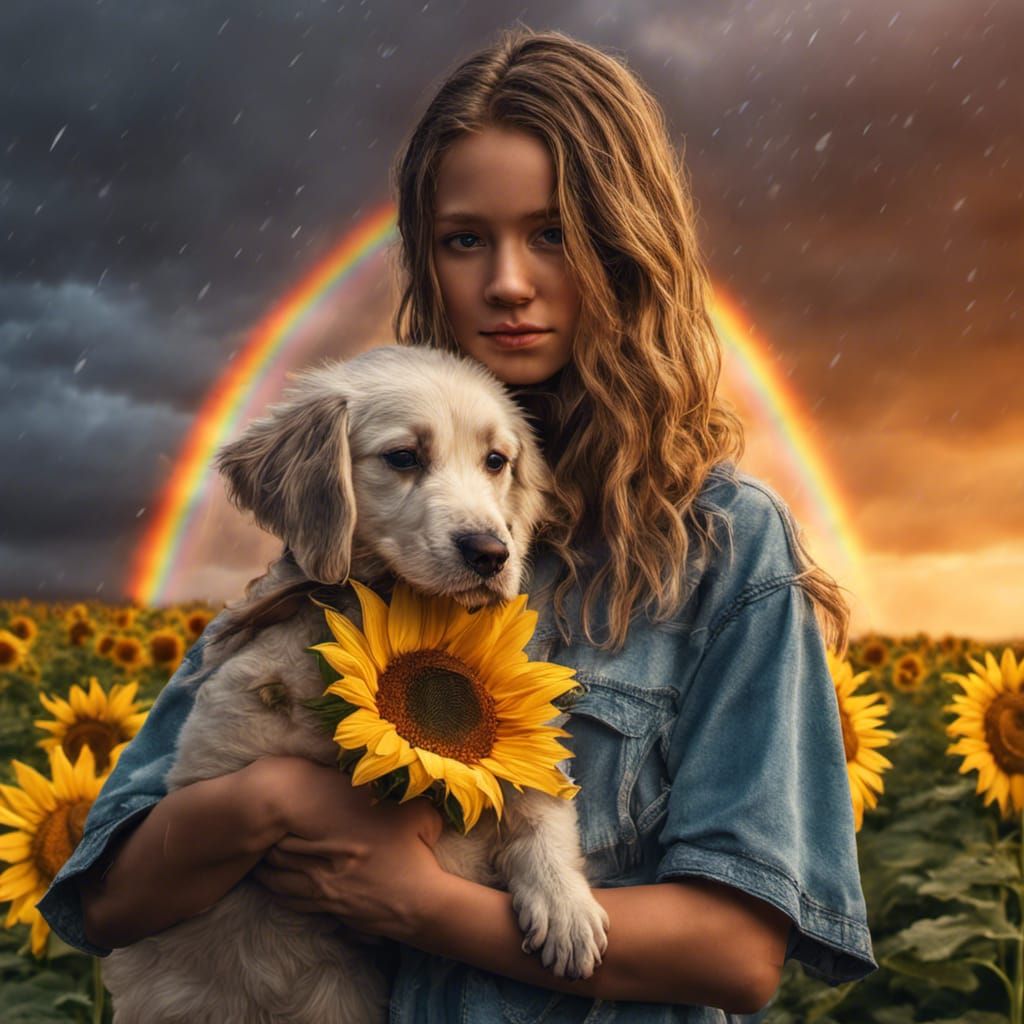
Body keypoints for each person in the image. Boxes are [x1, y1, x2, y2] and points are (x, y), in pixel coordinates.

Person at [38, 27, 876, 1022]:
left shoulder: (727, 547)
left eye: (553, 232)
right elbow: (105, 897)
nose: (507, 281)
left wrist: (421, 903)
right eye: (464, 238)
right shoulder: (361, 520)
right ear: (427, 258)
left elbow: (736, 952)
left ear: (626, 241)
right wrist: (272, 804)